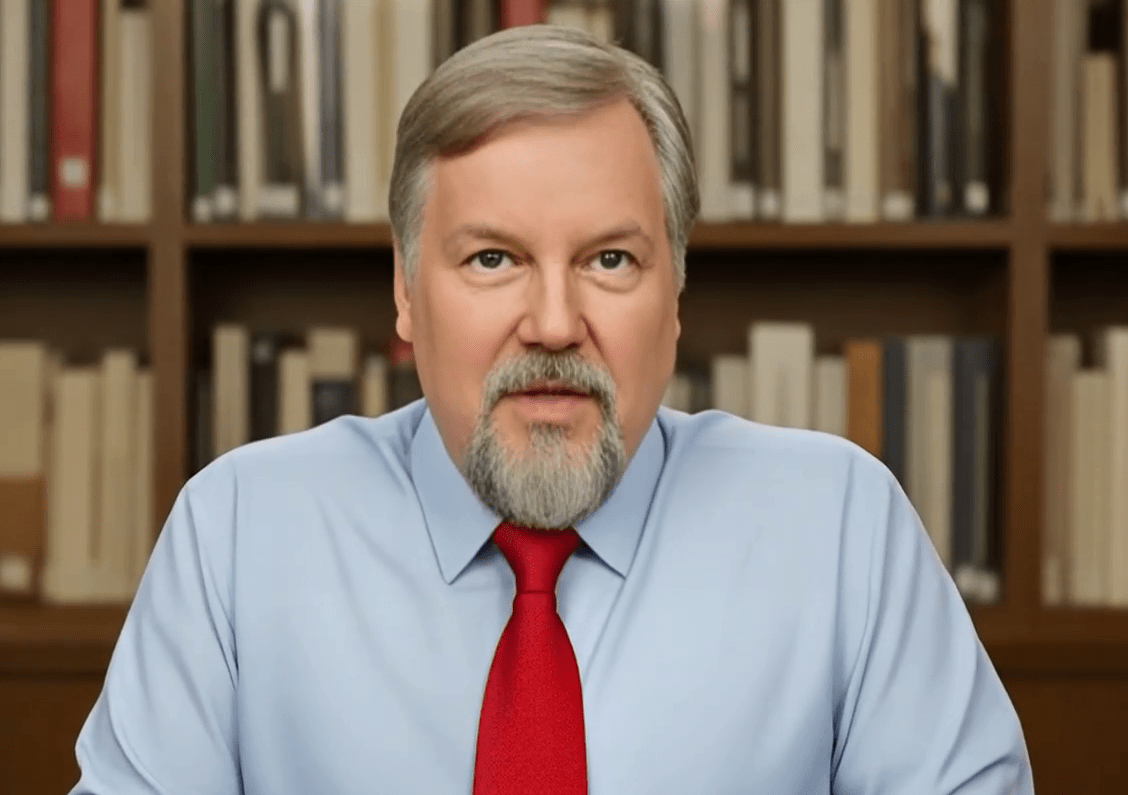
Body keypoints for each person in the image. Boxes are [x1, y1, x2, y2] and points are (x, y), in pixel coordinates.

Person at [68, 23, 1035, 795]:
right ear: (406, 291)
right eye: (494, 258)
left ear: (677, 290)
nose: (555, 322)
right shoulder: (236, 533)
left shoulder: (841, 529)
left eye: (609, 259)